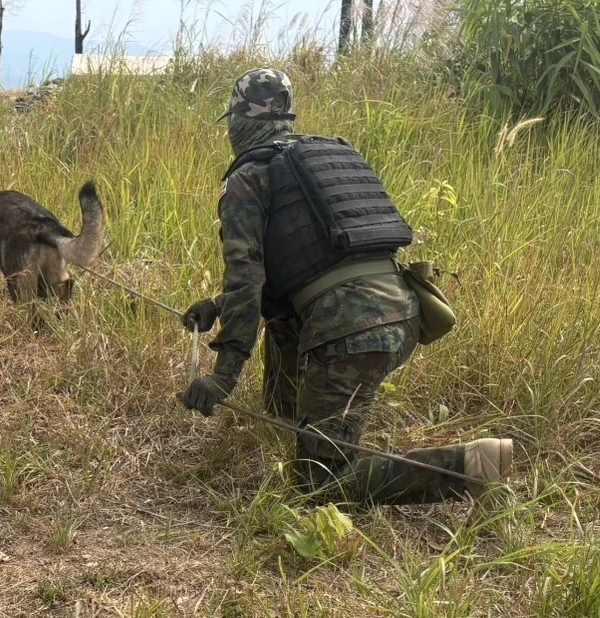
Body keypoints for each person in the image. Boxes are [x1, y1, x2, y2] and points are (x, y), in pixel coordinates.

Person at [178, 67, 513, 506]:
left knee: (321, 483)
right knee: (283, 327)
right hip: (404, 309)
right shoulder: (322, 157)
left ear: (239, 123)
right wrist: (219, 305)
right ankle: (297, 424)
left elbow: (246, 277)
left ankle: (468, 467)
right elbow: (315, 260)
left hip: (350, 335)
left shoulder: (247, 178)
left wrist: (222, 378)